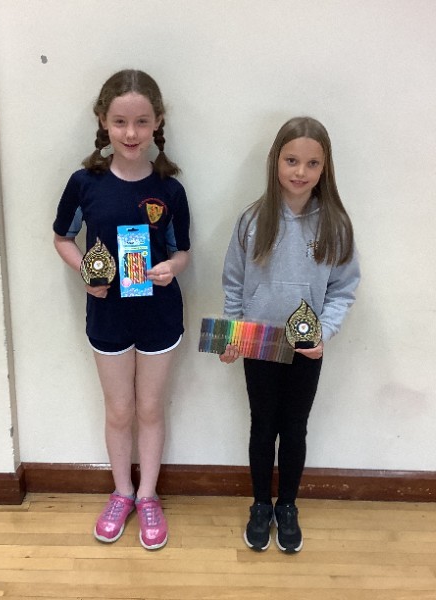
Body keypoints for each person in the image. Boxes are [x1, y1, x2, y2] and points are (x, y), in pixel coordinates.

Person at [52, 69, 190, 551]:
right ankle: (122, 493)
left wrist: (170, 267)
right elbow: (62, 238)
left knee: (149, 408)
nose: (131, 133)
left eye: (142, 122)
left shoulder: (170, 189)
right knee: (119, 410)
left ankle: (148, 496)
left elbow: (182, 252)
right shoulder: (84, 183)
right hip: (108, 316)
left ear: (157, 123)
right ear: (103, 121)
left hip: (159, 316)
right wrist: (86, 273)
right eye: (120, 122)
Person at [219, 116, 360, 553]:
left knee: (295, 428)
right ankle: (261, 504)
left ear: (325, 168)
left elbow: (343, 290)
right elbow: (233, 282)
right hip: (260, 343)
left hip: (305, 349)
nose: (300, 171)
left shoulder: (335, 224)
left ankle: (288, 506)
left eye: (312, 163)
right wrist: (233, 330)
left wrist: (325, 332)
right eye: (292, 160)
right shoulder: (251, 220)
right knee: (263, 426)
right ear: (275, 161)